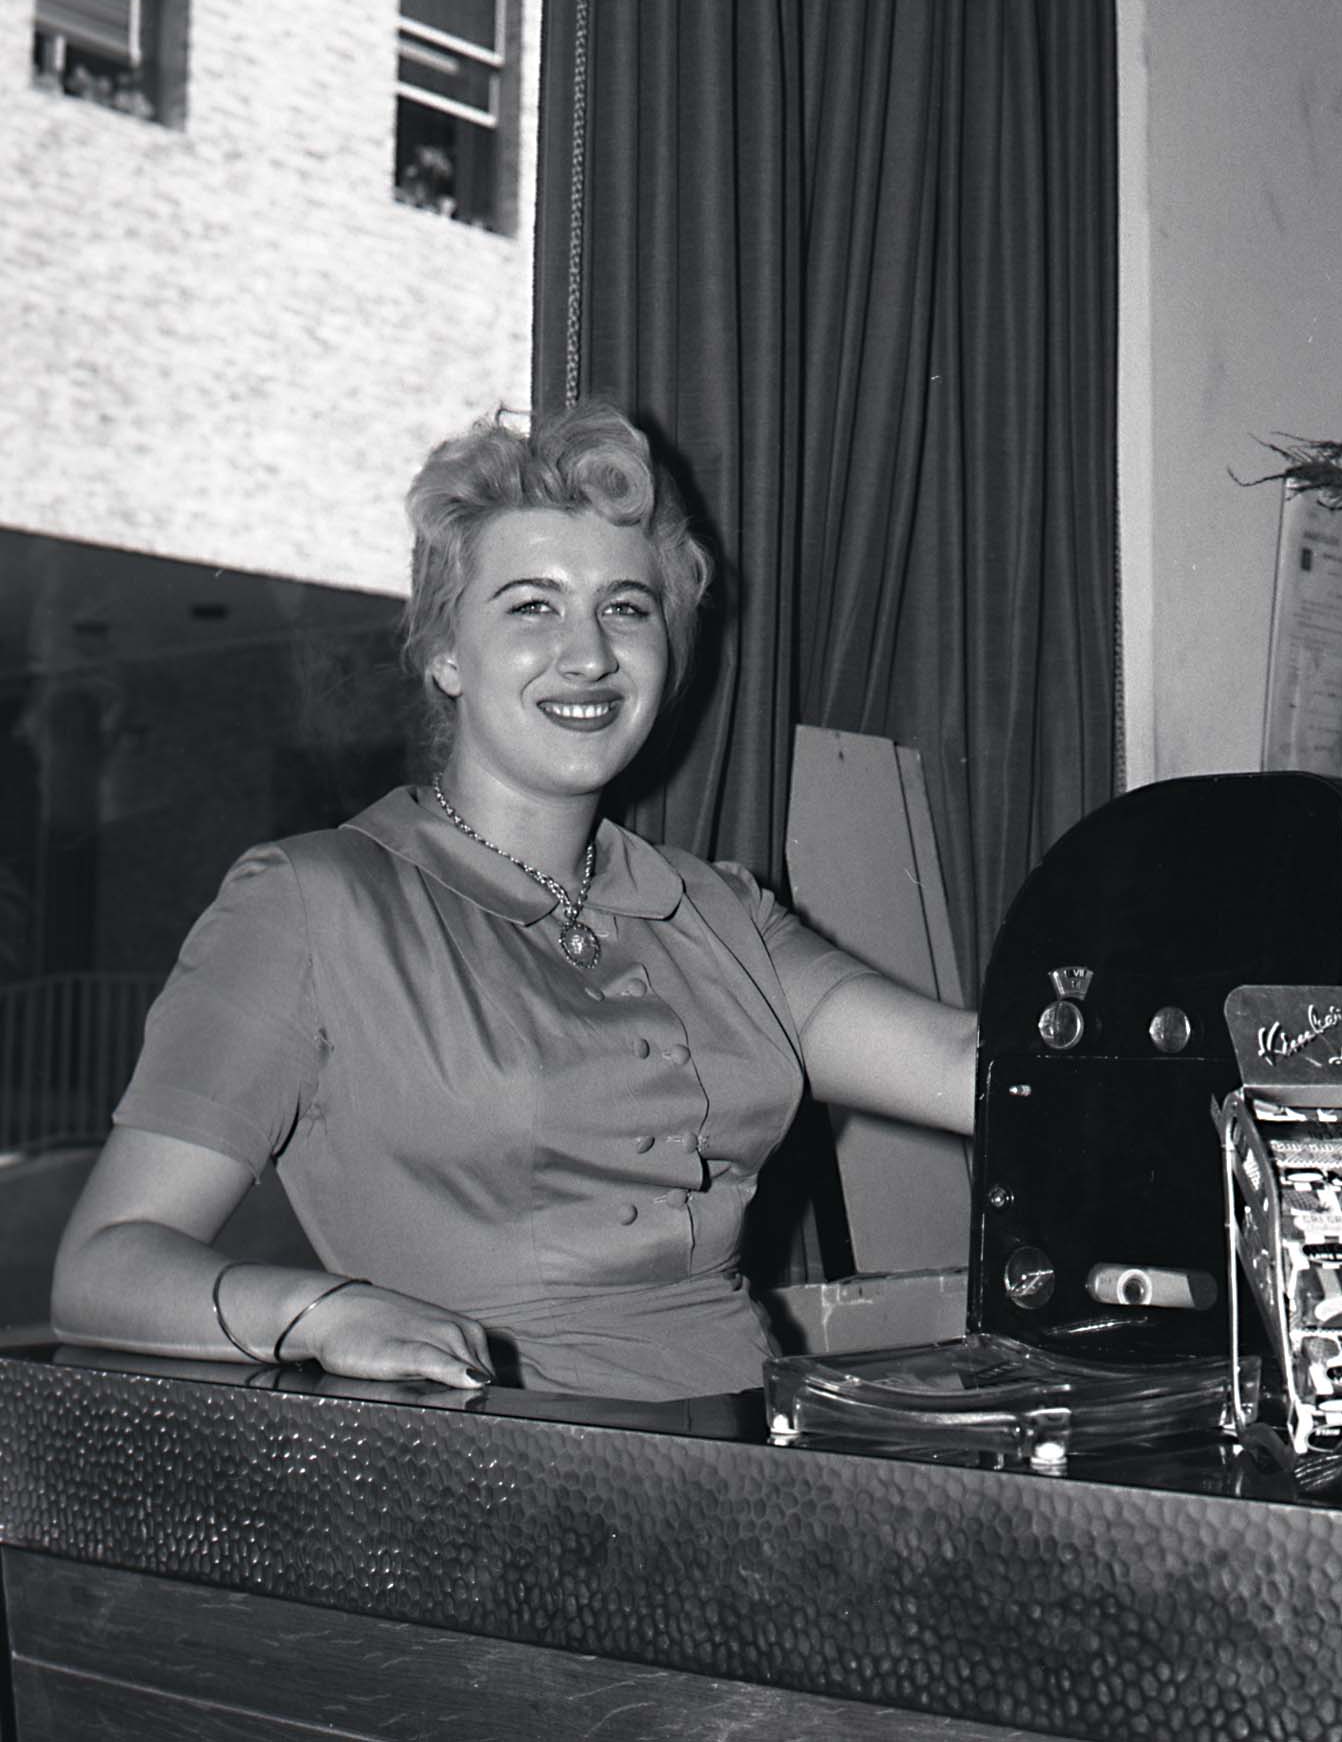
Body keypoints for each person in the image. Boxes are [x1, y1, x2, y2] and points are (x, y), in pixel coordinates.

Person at [51, 403, 976, 1401]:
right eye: (533, 607)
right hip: (497, 1463)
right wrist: (321, 1313)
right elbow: (105, 1263)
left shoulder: (719, 912)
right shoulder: (310, 903)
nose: (589, 653)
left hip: (751, 1453)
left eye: (627, 608)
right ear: (446, 652)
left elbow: (969, 1066)